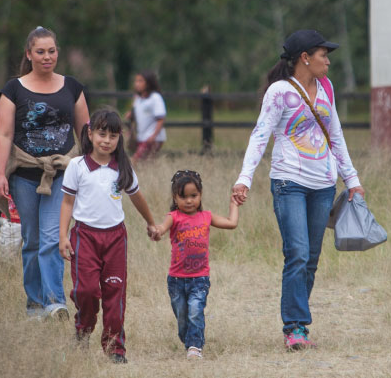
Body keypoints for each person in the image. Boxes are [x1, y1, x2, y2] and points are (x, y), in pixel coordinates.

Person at [231, 30, 365, 351]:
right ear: (305, 57)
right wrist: (244, 178)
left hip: (323, 186)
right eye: (323, 55)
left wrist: (352, 179)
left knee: (312, 258)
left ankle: (298, 324)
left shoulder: (327, 88)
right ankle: (295, 327)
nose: (328, 61)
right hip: (289, 182)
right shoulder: (279, 92)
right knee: (298, 253)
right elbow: (260, 135)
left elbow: (336, 135)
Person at [0, 26, 89, 320]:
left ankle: (54, 302)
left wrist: (92, 170)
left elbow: (85, 132)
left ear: (57, 53)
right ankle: (34, 304)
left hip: (62, 173)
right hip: (24, 174)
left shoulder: (72, 87)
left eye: (52, 51)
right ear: (29, 54)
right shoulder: (14, 90)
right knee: (32, 240)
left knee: (53, 237)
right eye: (40, 52)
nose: (47, 57)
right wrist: (0, 174)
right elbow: (4, 134)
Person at [58, 109, 157, 364]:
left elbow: (136, 196)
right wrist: (63, 236)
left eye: (113, 136)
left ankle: (115, 348)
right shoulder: (76, 166)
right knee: (87, 291)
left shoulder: (122, 167)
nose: (106, 140)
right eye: (102, 134)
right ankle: (84, 328)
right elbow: (67, 202)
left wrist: (151, 223)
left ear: (119, 139)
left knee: (115, 292)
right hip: (84, 237)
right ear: (90, 134)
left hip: (115, 239)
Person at [151, 170, 239, 360]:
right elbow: (161, 228)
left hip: (200, 278)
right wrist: (155, 231)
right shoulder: (173, 216)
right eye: (183, 196)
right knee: (182, 316)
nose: (189, 201)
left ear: (200, 195)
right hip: (176, 279)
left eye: (194, 195)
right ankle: (189, 340)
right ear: (175, 197)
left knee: (195, 312)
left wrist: (233, 204)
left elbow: (232, 223)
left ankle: (195, 346)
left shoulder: (206, 216)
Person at [124, 70, 166, 161]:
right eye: (136, 81)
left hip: (151, 137)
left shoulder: (155, 98)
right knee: (146, 162)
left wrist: (154, 135)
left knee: (135, 161)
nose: (137, 84)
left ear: (148, 83)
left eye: (140, 81)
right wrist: (131, 115)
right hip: (141, 137)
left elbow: (161, 118)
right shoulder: (137, 98)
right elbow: (137, 115)